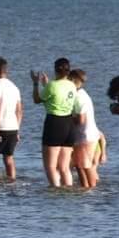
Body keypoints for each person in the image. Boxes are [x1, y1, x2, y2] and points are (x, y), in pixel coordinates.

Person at [31, 58, 80, 188]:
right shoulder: (72, 85)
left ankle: (55, 192)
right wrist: (46, 85)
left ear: (55, 70)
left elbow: (37, 99)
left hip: (54, 123)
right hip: (69, 124)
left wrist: (36, 84)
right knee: (64, 167)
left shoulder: (52, 85)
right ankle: (68, 190)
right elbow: (55, 95)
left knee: (50, 166)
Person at [68, 69, 104, 189]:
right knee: (80, 166)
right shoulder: (83, 94)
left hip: (85, 136)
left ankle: (90, 189)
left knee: (85, 165)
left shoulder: (79, 96)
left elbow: (81, 120)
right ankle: (86, 189)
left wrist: (68, 118)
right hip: (87, 135)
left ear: (72, 80)